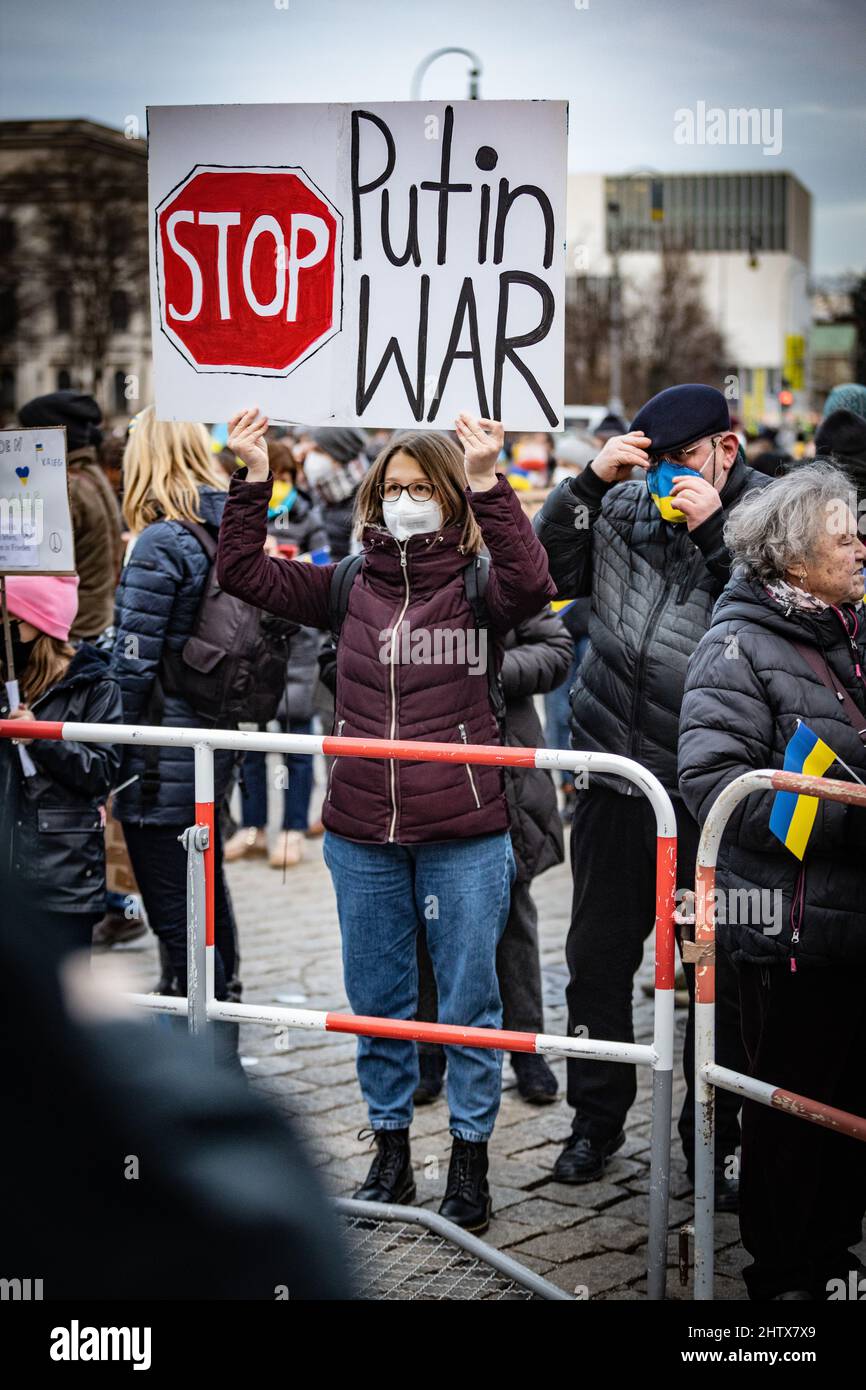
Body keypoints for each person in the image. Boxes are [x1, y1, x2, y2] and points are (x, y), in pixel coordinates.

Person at [217, 407, 555, 1233]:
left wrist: (487, 482)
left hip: (465, 832)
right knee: (378, 1001)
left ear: (445, 496)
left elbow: (534, 585)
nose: (403, 500)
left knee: (470, 1007)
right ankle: (392, 1153)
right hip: (364, 831)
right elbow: (242, 573)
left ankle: (469, 1163)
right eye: (392, 488)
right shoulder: (346, 583)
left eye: (420, 488)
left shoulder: (479, 585)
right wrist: (252, 474)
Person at [534, 383, 768, 1198]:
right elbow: (542, 574)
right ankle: (594, 1122)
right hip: (612, 772)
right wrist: (591, 484)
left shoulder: (770, 516)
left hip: (709, 796)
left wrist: (712, 532)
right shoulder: (624, 503)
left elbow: (776, 610)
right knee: (595, 960)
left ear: (725, 451)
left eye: (683, 460)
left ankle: (713, 1132)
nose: (667, 477)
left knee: (716, 970)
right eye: (654, 460)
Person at [678, 462, 866, 1301]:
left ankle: (834, 1262)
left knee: (850, 1109)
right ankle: (784, 1282)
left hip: (853, 923)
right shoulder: (736, 644)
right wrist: (847, 816)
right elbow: (717, 785)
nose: (862, 547)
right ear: (794, 561)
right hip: (789, 934)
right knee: (792, 1117)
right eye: (845, 536)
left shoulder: (851, 632)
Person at [109, 407, 242, 1064]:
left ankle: (198, 1072)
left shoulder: (162, 541)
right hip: (207, 752)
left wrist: (98, 753)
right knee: (208, 912)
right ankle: (220, 1047)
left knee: (178, 927)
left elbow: (131, 665)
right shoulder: (220, 529)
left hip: (159, 759)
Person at [415, 606, 573, 1106]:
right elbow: (338, 660)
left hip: (500, 768)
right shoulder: (379, 565)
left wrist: (476, 671)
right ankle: (428, 1049)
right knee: (423, 915)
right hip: (415, 771)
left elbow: (554, 651)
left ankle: (524, 1044)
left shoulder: (503, 566)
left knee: (511, 916)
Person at [0, 575, 122, 967]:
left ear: (41, 621)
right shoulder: (5, 682)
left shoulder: (94, 684)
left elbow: (101, 772)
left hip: (62, 873)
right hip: (10, 872)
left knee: (58, 1006)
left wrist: (42, 738)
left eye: (10, 621)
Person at [224, 438, 329, 868]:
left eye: (285, 478)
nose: (279, 486)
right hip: (250, 639)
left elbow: (325, 566)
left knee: (296, 742)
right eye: (275, 478)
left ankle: (292, 829)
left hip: (298, 642)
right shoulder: (244, 514)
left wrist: (290, 562)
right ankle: (252, 828)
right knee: (249, 742)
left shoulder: (308, 516)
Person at [18, 391, 123, 642]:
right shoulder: (90, 473)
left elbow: (35, 566)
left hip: (72, 630)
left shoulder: (66, 486)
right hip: (95, 621)